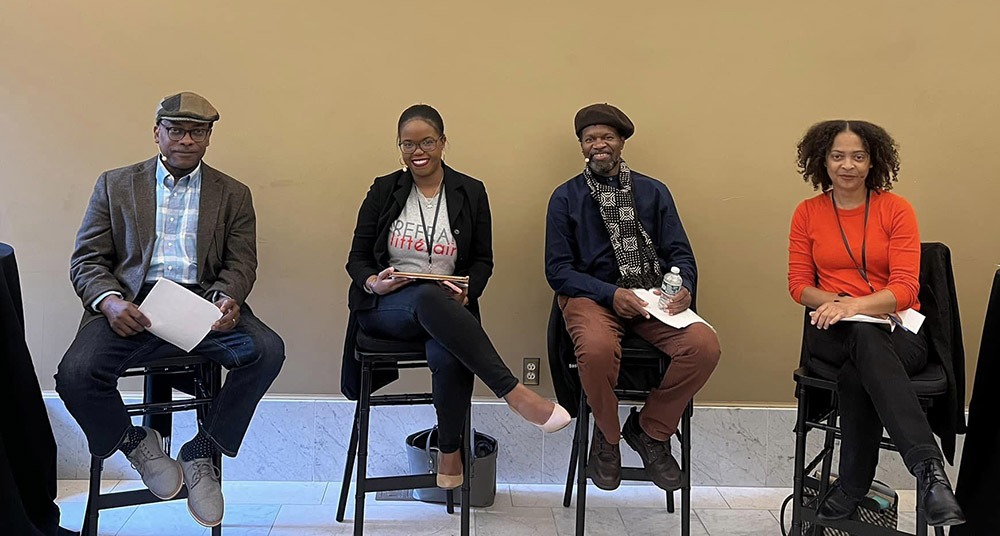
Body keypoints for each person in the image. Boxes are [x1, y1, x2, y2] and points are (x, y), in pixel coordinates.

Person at [56, 92, 285, 528]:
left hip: (200, 304)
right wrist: (108, 301)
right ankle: (136, 442)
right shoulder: (115, 183)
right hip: (132, 304)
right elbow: (87, 261)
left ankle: (203, 449)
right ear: (157, 132)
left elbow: (242, 261)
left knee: (267, 350)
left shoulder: (233, 193)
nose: (186, 140)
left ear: (209, 137)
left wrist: (227, 297)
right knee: (75, 375)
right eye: (176, 130)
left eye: (197, 132)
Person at [343, 104, 570, 489]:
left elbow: (483, 260)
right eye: (408, 144)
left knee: (448, 346)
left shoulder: (471, 191)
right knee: (427, 298)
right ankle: (513, 393)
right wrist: (372, 283)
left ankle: (449, 449)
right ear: (399, 147)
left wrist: (469, 291)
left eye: (427, 141)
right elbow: (357, 259)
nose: (418, 151)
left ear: (443, 142)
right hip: (388, 309)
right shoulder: (384, 190)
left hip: (449, 312)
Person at [787, 119, 964, 526]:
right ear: (823, 162)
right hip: (832, 332)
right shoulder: (808, 214)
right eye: (838, 156)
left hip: (898, 332)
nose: (847, 165)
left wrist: (856, 306)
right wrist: (840, 306)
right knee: (861, 340)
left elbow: (904, 287)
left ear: (872, 163)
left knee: (860, 367)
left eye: (858, 156)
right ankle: (930, 474)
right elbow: (799, 285)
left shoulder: (896, 210)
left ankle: (852, 487)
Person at [545, 103, 721, 492]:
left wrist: (684, 288)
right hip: (591, 297)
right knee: (594, 349)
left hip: (651, 296)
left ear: (621, 142)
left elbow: (680, 254)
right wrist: (611, 293)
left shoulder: (653, 192)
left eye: (607, 137)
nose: (599, 145)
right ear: (582, 147)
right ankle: (607, 439)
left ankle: (649, 430)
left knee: (704, 346)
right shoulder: (565, 198)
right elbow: (557, 271)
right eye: (590, 139)